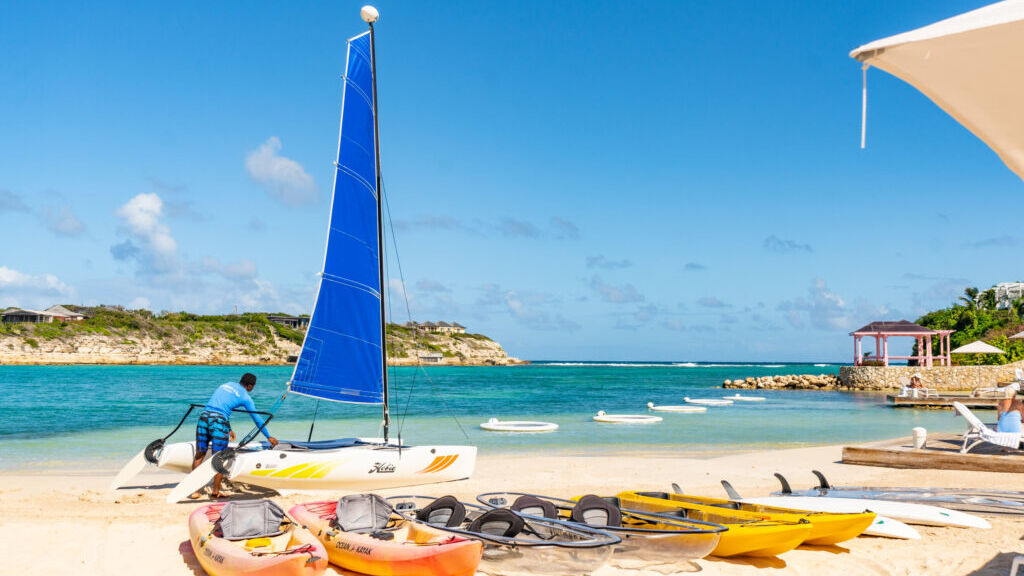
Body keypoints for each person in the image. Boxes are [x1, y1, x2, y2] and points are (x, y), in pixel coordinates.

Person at [191, 373, 278, 499]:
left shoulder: (226, 385)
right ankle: (215, 491)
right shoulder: (245, 397)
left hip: (204, 417)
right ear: (249, 386)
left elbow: (219, 406)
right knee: (220, 458)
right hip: (219, 422)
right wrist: (268, 436)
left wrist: (229, 428)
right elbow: (257, 419)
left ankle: (195, 490)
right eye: (252, 387)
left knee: (199, 454)